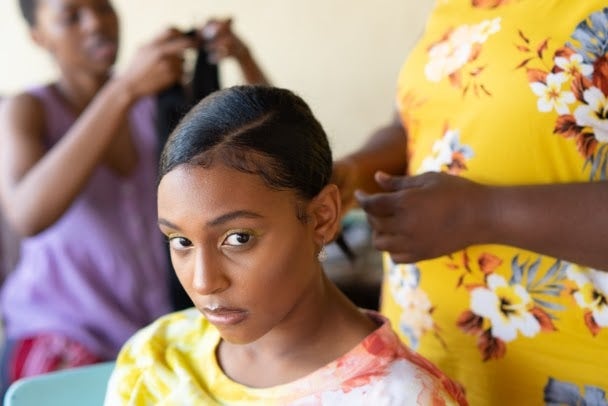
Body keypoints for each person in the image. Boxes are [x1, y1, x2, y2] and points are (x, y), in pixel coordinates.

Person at [103, 85, 468, 405]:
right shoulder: (155, 357)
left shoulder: (401, 397)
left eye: (238, 239)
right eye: (181, 241)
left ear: (322, 217)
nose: (203, 282)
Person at [333, 1, 608, 405]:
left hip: (572, 377)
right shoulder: (455, 8)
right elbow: (413, 124)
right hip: (437, 364)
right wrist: (355, 170)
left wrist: (479, 213)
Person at [0, 0, 268, 392]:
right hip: (63, 330)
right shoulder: (29, 110)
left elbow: (268, 146)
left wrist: (241, 58)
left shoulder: (158, 106)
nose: (96, 24)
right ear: (38, 37)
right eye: (71, 16)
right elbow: (27, 215)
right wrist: (123, 89)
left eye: (102, 7)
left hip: (152, 326)